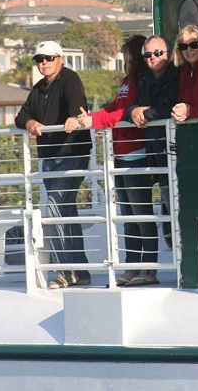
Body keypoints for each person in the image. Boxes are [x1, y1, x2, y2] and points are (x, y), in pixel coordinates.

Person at [64, 35, 156, 287]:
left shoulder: (142, 82)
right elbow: (113, 108)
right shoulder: (127, 82)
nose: (123, 56)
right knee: (127, 214)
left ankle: (148, 268)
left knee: (141, 213)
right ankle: (131, 265)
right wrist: (89, 117)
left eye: (126, 52)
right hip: (121, 154)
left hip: (136, 153)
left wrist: (97, 120)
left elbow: (124, 113)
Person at [15, 40, 92, 289]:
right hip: (50, 157)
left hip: (71, 154)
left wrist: (73, 119)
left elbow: (76, 109)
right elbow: (22, 115)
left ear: (60, 58)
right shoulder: (39, 88)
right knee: (65, 210)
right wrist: (30, 124)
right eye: (39, 59)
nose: (44, 63)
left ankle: (67, 271)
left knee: (58, 208)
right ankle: (79, 271)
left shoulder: (70, 79)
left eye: (48, 58)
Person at [126, 35, 179, 284]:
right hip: (154, 155)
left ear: (167, 53)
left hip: (173, 153)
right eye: (147, 55)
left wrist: (144, 112)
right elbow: (133, 107)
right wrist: (134, 111)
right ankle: (148, 269)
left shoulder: (174, 76)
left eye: (157, 53)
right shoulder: (146, 79)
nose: (153, 59)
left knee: (175, 209)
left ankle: (182, 266)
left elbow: (168, 106)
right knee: (157, 212)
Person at [171, 25, 198, 123]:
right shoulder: (182, 72)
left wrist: (190, 111)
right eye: (183, 46)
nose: (189, 50)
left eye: (194, 45)